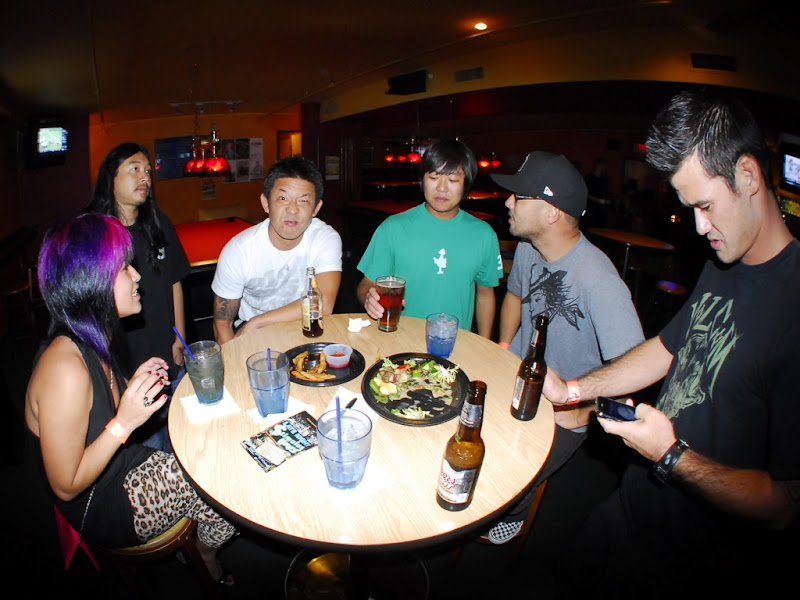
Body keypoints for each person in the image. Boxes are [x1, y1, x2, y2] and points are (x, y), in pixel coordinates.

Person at [544, 91, 800, 596]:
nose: (701, 227)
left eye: (705, 205)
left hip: (690, 558)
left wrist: (671, 454)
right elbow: (667, 347)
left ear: (748, 175)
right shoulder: (724, 261)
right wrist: (574, 390)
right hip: (632, 501)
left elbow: (787, 505)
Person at [24, 214, 237, 588]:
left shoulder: (94, 336)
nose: (137, 275)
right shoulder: (64, 369)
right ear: (93, 281)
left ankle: (200, 544)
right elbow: (66, 486)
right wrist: (124, 421)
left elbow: (102, 408)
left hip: (116, 465)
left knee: (211, 458)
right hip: (98, 501)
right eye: (124, 268)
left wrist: (134, 385)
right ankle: (205, 554)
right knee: (223, 479)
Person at [484, 151, 644, 544]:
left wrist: (579, 412)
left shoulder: (599, 280)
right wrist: (505, 344)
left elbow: (635, 371)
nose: (508, 202)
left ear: (551, 212)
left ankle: (517, 512)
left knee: (503, 486)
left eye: (520, 196)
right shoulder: (529, 247)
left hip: (564, 410)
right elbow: (515, 296)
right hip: (517, 379)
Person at [87, 142, 190, 452]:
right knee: (150, 450)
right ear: (112, 175)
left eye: (147, 170)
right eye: (134, 168)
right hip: (126, 362)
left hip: (166, 351)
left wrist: (179, 337)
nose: (145, 177)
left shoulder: (159, 224)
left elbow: (174, 281)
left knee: (184, 437)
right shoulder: (95, 235)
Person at [356, 138, 502, 337]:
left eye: (452, 180)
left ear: (466, 184)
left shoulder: (484, 234)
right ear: (422, 180)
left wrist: (484, 345)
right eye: (434, 177)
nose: (442, 188)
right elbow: (367, 284)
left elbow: (485, 295)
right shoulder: (393, 228)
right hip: (398, 341)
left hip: (456, 343)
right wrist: (369, 298)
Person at [212, 155, 342, 343]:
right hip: (254, 335)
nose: (292, 209)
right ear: (266, 203)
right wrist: (233, 358)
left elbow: (324, 303)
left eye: (303, 201)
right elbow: (222, 324)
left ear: (316, 208)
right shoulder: (239, 250)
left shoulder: (324, 238)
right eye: (283, 198)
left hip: (307, 326)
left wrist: (257, 322)